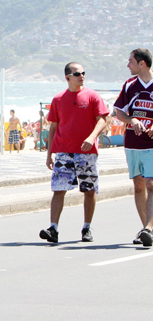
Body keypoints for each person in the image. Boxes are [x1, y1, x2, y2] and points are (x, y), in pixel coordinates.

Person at [39, 62, 108, 243]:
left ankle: (86, 227)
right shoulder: (58, 99)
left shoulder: (93, 96)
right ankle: (53, 228)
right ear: (67, 77)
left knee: (89, 190)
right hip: (64, 152)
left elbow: (102, 120)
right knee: (58, 190)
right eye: (77, 73)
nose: (82, 76)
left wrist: (91, 137)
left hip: (87, 153)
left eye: (84, 73)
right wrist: (49, 153)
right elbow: (53, 126)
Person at [114, 48, 153, 246]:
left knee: (151, 184)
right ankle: (146, 229)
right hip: (133, 144)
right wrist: (132, 120)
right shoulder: (129, 85)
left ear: (142, 64)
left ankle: (149, 228)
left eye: (131, 61)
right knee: (138, 186)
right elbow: (119, 112)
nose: (128, 65)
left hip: (152, 145)